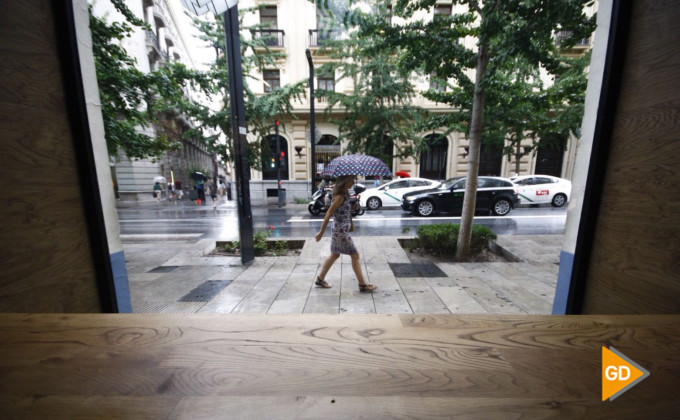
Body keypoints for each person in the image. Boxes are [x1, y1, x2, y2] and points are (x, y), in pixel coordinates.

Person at [314, 175, 377, 292]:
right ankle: (363, 285)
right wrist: (321, 232)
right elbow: (328, 213)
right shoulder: (339, 197)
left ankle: (320, 279)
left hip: (339, 229)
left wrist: (354, 206)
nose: (353, 183)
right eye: (351, 181)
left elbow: (344, 210)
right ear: (344, 182)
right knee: (355, 255)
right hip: (341, 231)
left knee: (335, 254)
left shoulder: (345, 194)